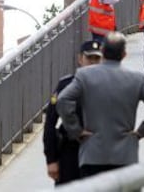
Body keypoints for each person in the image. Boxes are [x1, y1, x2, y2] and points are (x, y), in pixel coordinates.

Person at [56, 32, 144, 178]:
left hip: (92, 154)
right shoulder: (136, 79)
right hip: (125, 156)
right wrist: (143, 131)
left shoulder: (85, 76)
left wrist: (75, 130)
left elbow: (63, 100)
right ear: (124, 54)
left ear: (102, 52)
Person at [43, 40, 102, 185]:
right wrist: (51, 160)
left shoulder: (110, 86)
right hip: (70, 153)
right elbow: (50, 123)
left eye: (97, 58)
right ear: (80, 59)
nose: (93, 63)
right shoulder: (66, 85)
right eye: (90, 58)